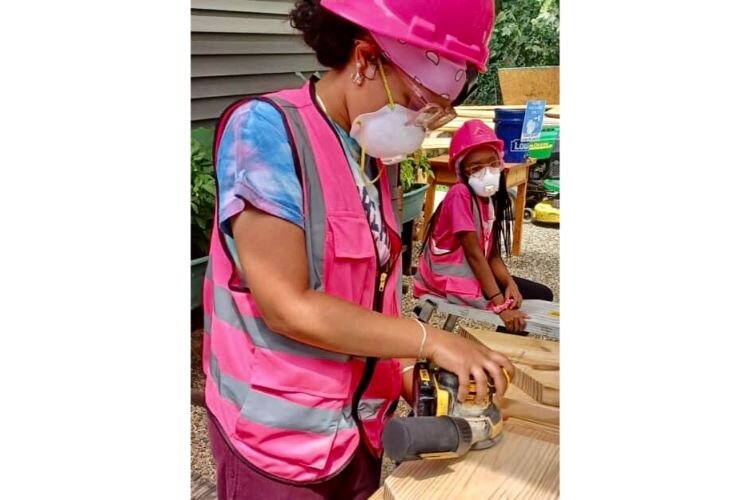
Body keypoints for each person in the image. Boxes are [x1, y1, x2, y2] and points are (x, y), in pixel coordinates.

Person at [202, 1, 514, 499]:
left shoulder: (368, 152)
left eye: (436, 113)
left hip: (356, 433)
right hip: (279, 448)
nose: (422, 123)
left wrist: (407, 373)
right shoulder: (266, 131)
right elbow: (288, 306)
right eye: (419, 102)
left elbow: (369, 296)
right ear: (366, 59)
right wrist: (427, 340)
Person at [414, 119, 554, 334]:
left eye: (492, 163)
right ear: (463, 172)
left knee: (541, 293)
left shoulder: (488, 199)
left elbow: (492, 254)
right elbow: (474, 255)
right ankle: (498, 359)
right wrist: (500, 306)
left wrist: (509, 284)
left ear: (500, 162)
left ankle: (502, 355)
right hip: (449, 280)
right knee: (514, 314)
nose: (487, 172)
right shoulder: (459, 194)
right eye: (476, 168)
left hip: (472, 273)